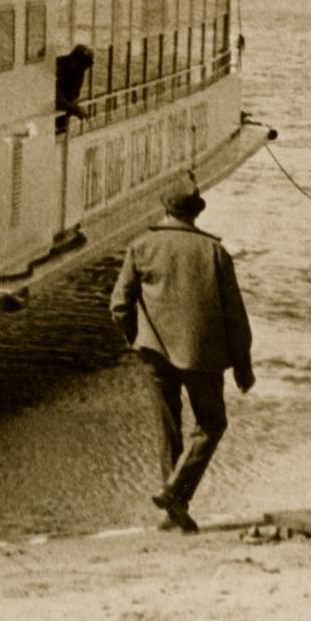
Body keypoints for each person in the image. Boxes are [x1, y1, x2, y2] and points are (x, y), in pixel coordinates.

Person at [110, 192, 256, 531]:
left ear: (165, 209)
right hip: (202, 354)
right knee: (211, 424)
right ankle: (176, 495)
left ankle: (173, 503)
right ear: (195, 214)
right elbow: (235, 315)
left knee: (169, 429)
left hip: (153, 353)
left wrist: (136, 339)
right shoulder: (214, 252)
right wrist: (243, 365)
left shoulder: (141, 246)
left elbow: (119, 305)